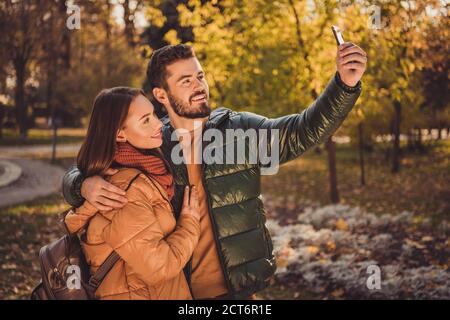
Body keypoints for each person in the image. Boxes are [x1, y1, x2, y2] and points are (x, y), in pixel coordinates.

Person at [62, 42, 367, 299]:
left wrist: (344, 85)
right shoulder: (151, 145)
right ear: (161, 95)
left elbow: (302, 131)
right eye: (186, 81)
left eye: (200, 76)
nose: (199, 87)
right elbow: (94, 163)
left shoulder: (238, 131)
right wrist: (82, 184)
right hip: (178, 291)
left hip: (240, 290)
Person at [64, 87, 201, 299]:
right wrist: (190, 224)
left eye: (154, 114)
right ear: (119, 133)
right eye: (145, 120)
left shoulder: (144, 167)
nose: (158, 123)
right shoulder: (125, 190)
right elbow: (159, 267)